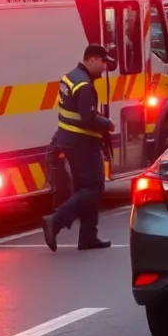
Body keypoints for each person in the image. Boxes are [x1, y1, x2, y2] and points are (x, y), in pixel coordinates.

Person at [42, 44, 116, 252]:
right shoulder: (83, 85)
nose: (105, 67)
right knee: (94, 188)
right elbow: (88, 118)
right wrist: (107, 124)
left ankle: (88, 236)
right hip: (83, 143)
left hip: (69, 141)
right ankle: (56, 221)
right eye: (102, 61)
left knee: (85, 188)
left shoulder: (70, 78)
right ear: (91, 59)